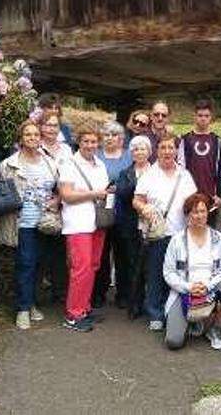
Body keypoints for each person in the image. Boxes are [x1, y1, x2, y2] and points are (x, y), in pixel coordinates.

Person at [0, 120, 59, 330]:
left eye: (35, 135)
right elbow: (3, 194)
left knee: (41, 266)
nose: (32, 138)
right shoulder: (9, 164)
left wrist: (56, 201)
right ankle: (22, 309)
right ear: (21, 139)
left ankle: (32, 303)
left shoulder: (50, 162)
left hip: (47, 222)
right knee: (26, 264)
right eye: (28, 135)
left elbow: (59, 190)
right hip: (23, 223)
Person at [133, 133, 197, 332]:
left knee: (179, 275)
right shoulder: (149, 174)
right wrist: (144, 209)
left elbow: (193, 201)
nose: (167, 151)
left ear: (176, 150)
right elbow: (136, 200)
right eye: (163, 148)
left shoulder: (184, 174)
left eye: (171, 147)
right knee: (155, 274)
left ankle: (176, 313)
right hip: (157, 234)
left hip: (181, 234)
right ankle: (155, 313)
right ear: (157, 151)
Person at [163, 193, 221, 351]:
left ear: (208, 212)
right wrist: (188, 287)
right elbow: (168, 273)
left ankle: (215, 329)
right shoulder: (176, 241)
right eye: (194, 212)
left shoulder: (219, 239)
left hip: (210, 289)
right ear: (188, 215)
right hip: (184, 292)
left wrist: (208, 286)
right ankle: (194, 323)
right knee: (173, 342)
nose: (199, 216)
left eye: (202, 211)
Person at [58, 124, 112, 332]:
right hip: (78, 223)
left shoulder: (100, 164)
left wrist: (106, 192)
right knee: (80, 269)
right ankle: (73, 314)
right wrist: (93, 194)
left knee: (93, 266)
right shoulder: (69, 163)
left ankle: (84, 307)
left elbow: (102, 190)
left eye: (93, 141)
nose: (90, 145)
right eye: (86, 141)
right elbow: (67, 195)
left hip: (97, 222)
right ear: (78, 142)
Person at [94, 120, 133, 308]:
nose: (110, 138)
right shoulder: (95, 155)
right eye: (107, 135)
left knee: (123, 255)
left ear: (122, 138)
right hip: (100, 212)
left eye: (114, 135)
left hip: (124, 213)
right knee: (101, 255)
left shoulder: (129, 156)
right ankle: (99, 292)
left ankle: (123, 293)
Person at [176, 100, 221, 224]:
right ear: (195, 116)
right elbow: (180, 168)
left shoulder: (217, 141)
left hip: (211, 199)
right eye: (200, 116)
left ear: (211, 117)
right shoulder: (185, 140)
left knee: (209, 235)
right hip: (189, 197)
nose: (203, 119)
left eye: (206, 116)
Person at [115, 135, 152, 319]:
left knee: (151, 265)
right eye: (136, 149)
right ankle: (134, 302)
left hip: (153, 225)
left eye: (143, 148)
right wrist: (141, 184)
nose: (139, 152)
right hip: (131, 225)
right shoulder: (125, 173)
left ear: (149, 151)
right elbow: (122, 193)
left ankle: (150, 301)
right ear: (131, 153)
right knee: (133, 264)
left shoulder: (157, 171)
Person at [39, 111, 73, 304]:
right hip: (40, 204)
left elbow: (70, 176)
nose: (51, 129)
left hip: (62, 203)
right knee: (40, 250)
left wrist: (59, 198)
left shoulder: (66, 150)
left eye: (55, 125)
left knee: (60, 251)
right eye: (48, 125)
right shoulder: (36, 146)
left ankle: (60, 292)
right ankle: (36, 295)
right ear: (41, 127)